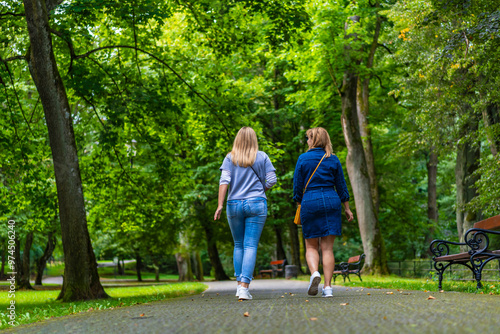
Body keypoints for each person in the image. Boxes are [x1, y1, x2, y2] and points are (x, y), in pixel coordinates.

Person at [214, 127, 277, 300]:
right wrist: (260, 190)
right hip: (257, 203)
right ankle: (244, 287)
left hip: (233, 204)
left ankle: (238, 286)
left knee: (239, 244)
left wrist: (220, 204)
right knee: (250, 245)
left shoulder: (230, 157)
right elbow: (272, 180)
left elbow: (224, 180)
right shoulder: (262, 156)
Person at [293, 127, 354, 297]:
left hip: (310, 200)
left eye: (308, 138)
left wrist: (300, 203)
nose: (306, 141)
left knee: (311, 245)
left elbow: (297, 187)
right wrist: (347, 209)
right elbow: (341, 186)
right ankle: (328, 288)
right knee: (327, 248)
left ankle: (314, 274)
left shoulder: (303, 159)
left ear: (313, 140)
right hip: (331, 199)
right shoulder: (332, 159)